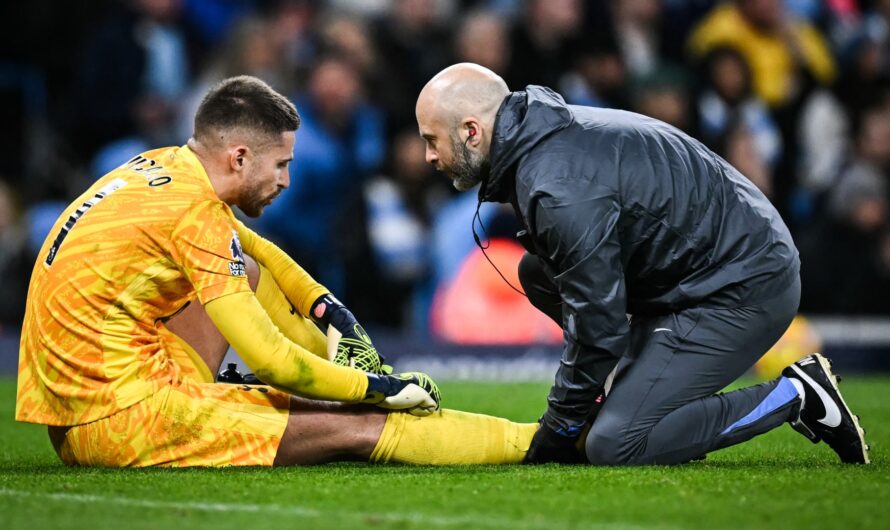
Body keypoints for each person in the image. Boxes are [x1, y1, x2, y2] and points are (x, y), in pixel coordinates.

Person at [16, 75, 538, 468]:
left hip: (81, 403)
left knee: (245, 268)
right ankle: (538, 441)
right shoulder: (193, 215)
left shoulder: (165, 167)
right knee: (358, 426)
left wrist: (330, 311)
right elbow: (269, 358)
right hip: (116, 422)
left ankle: (316, 381)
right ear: (239, 157)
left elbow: (261, 253)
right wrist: (370, 389)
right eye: (281, 164)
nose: (286, 179)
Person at [414, 63, 870, 466]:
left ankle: (797, 395)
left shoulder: (557, 185)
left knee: (614, 444)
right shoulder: (546, 138)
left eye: (431, 140)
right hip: (710, 266)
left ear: (472, 131)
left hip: (744, 287)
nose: (428, 157)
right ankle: (632, 391)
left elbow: (599, 323)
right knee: (538, 273)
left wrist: (560, 427)